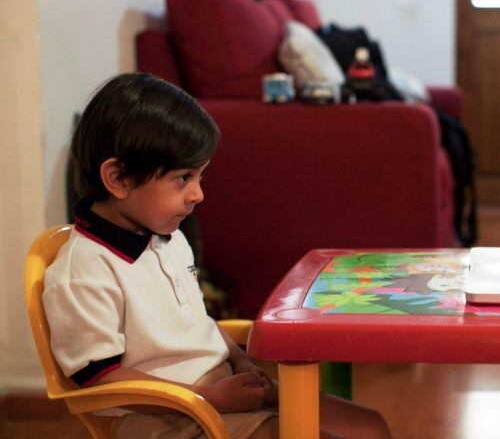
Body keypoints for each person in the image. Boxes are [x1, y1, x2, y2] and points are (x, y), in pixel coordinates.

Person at [43, 73, 391, 439]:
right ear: (118, 179)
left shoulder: (168, 237)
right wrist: (207, 397)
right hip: (162, 416)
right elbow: (98, 378)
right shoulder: (82, 270)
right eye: (183, 178)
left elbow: (198, 320)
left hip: (216, 392)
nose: (198, 194)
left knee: (369, 427)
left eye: (200, 177)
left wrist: (238, 357)